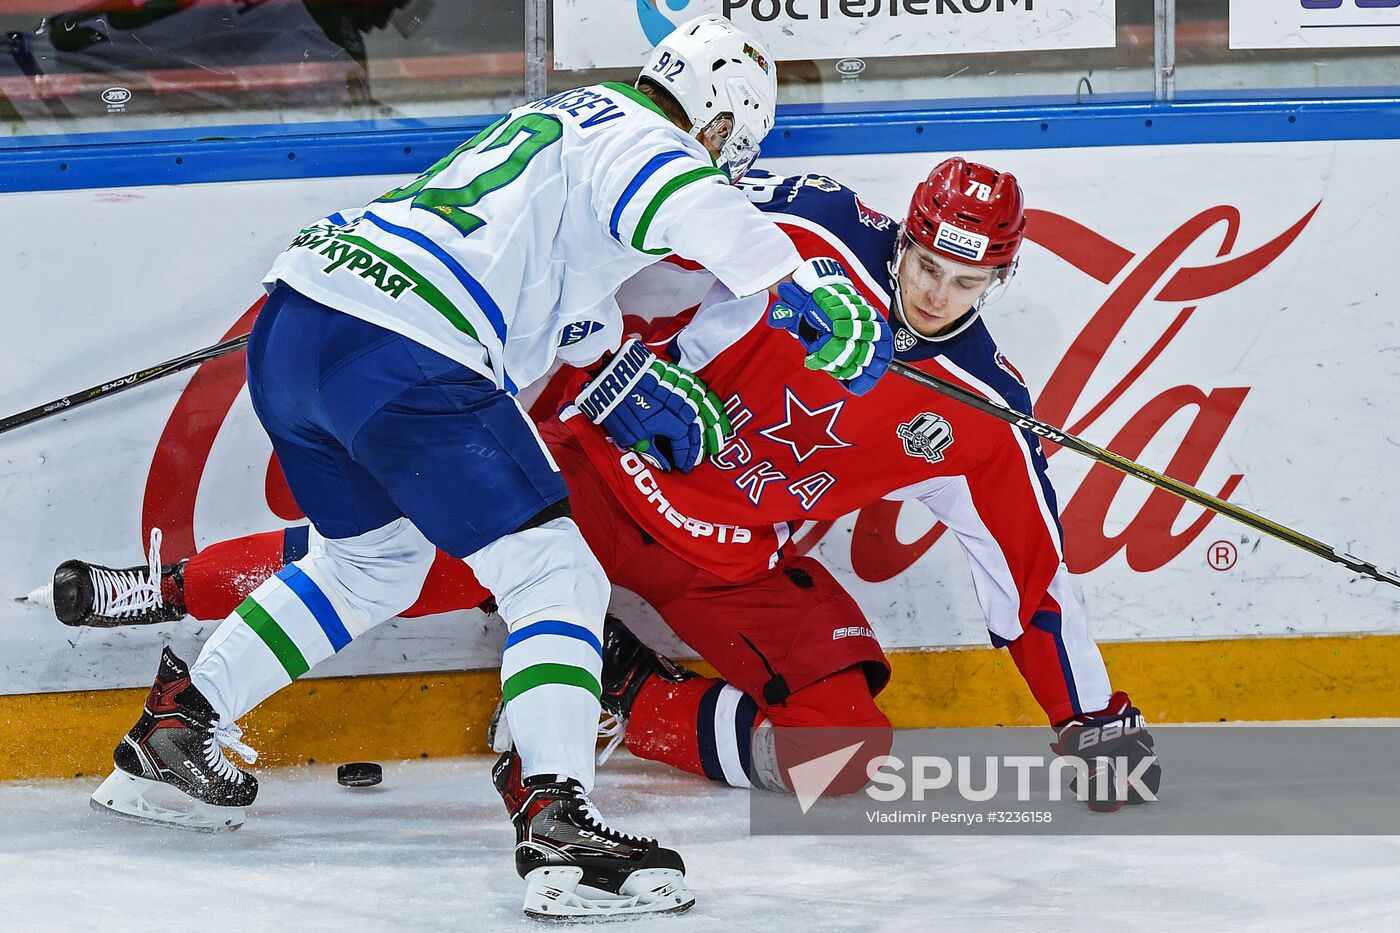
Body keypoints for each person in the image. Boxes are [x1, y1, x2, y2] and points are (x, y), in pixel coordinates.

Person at [57, 14, 894, 922]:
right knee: (558, 572)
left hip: (297, 322)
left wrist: (637, 367)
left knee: (369, 566)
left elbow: (577, 297)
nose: (725, 165)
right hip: (406, 347)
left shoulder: (564, 122)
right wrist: (797, 279)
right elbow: (678, 195)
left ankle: (177, 729)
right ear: (717, 122)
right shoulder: (645, 140)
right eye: (729, 148)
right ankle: (559, 822)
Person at [39, 156, 1159, 812]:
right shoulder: (808, 226)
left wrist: (1088, 719)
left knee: (845, 762)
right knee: (379, 564)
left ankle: (640, 700)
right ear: (905, 233)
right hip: (595, 478)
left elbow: (1030, 583)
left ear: (1001, 275)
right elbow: (625, 236)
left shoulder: (980, 410)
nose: (932, 294)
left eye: (965, 281)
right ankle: (170, 588)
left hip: (732, 570)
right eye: (924, 265)